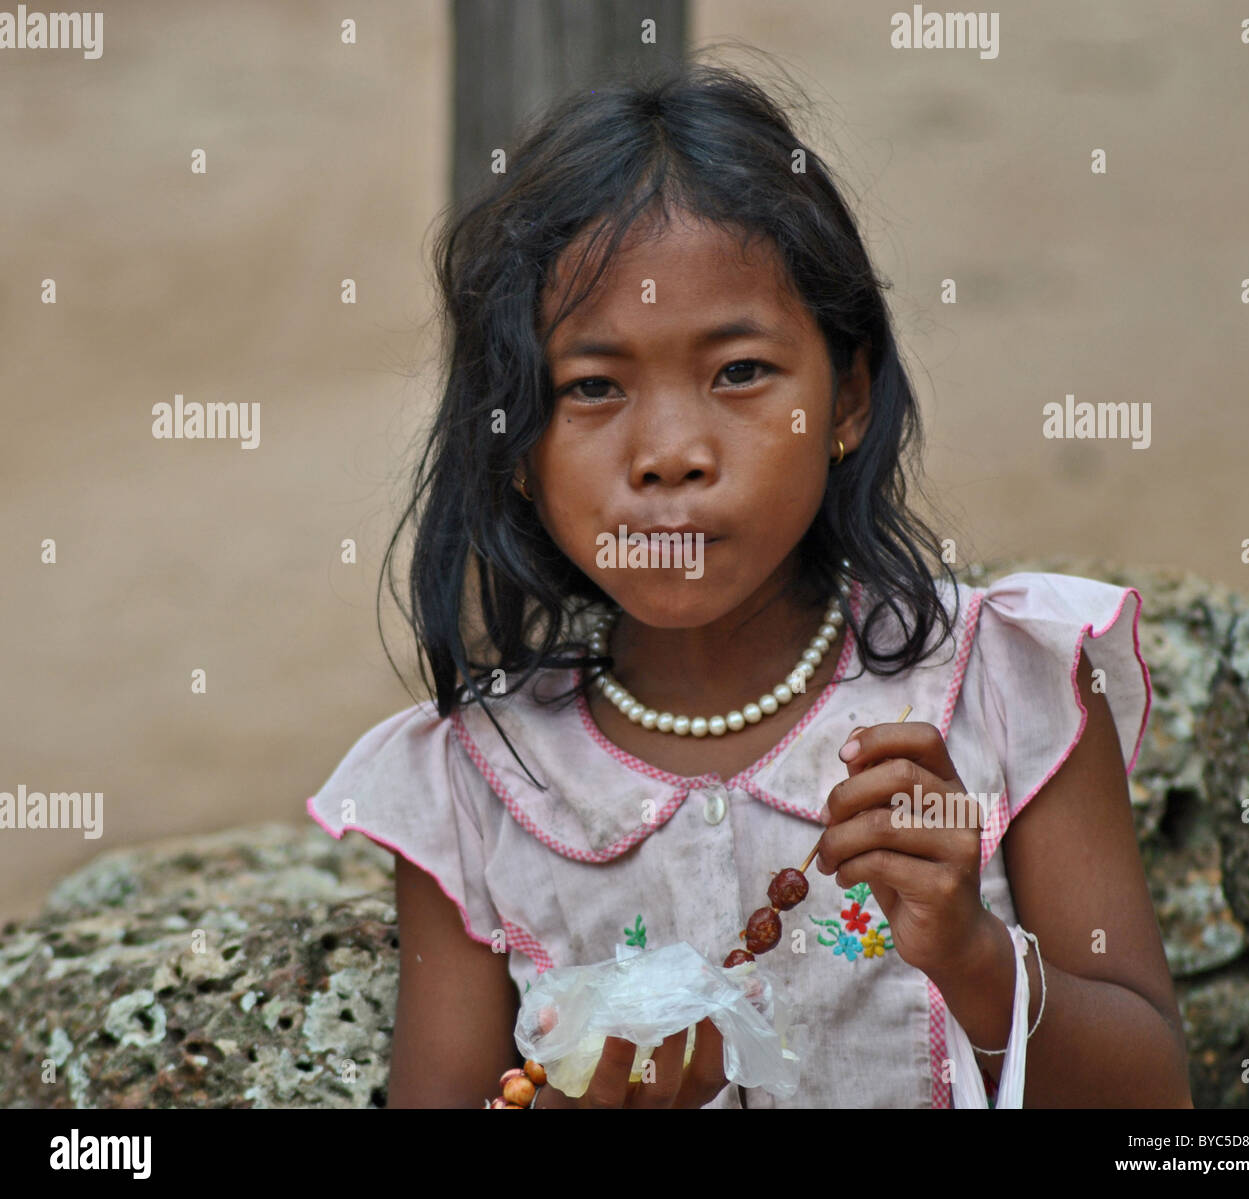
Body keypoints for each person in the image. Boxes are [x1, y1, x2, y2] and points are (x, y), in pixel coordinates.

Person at [306, 61, 1192, 1109]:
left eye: (737, 372)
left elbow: (1157, 1110)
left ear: (847, 398)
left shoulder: (1010, 688)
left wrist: (973, 953)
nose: (671, 451)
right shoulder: (476, 789)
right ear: (511, 445)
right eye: (591, 387)